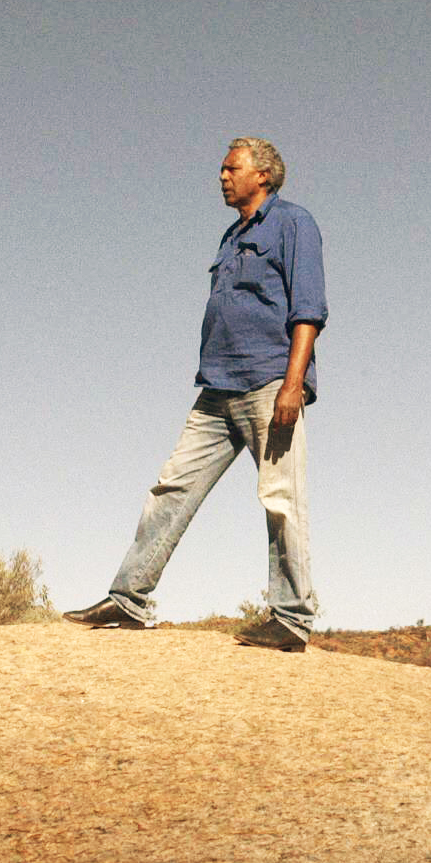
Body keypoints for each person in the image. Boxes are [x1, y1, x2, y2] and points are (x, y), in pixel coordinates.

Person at [63, 138, 326, 652]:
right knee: (172, 488)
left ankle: (292, 618)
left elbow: (309, 309)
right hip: (217, 386)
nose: (222, 177)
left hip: (270, 382)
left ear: (262, 176)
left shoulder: (294, 223)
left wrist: (292, 384)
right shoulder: (232, 237)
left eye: (231, 169)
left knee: (281, 499)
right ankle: (129, 598)